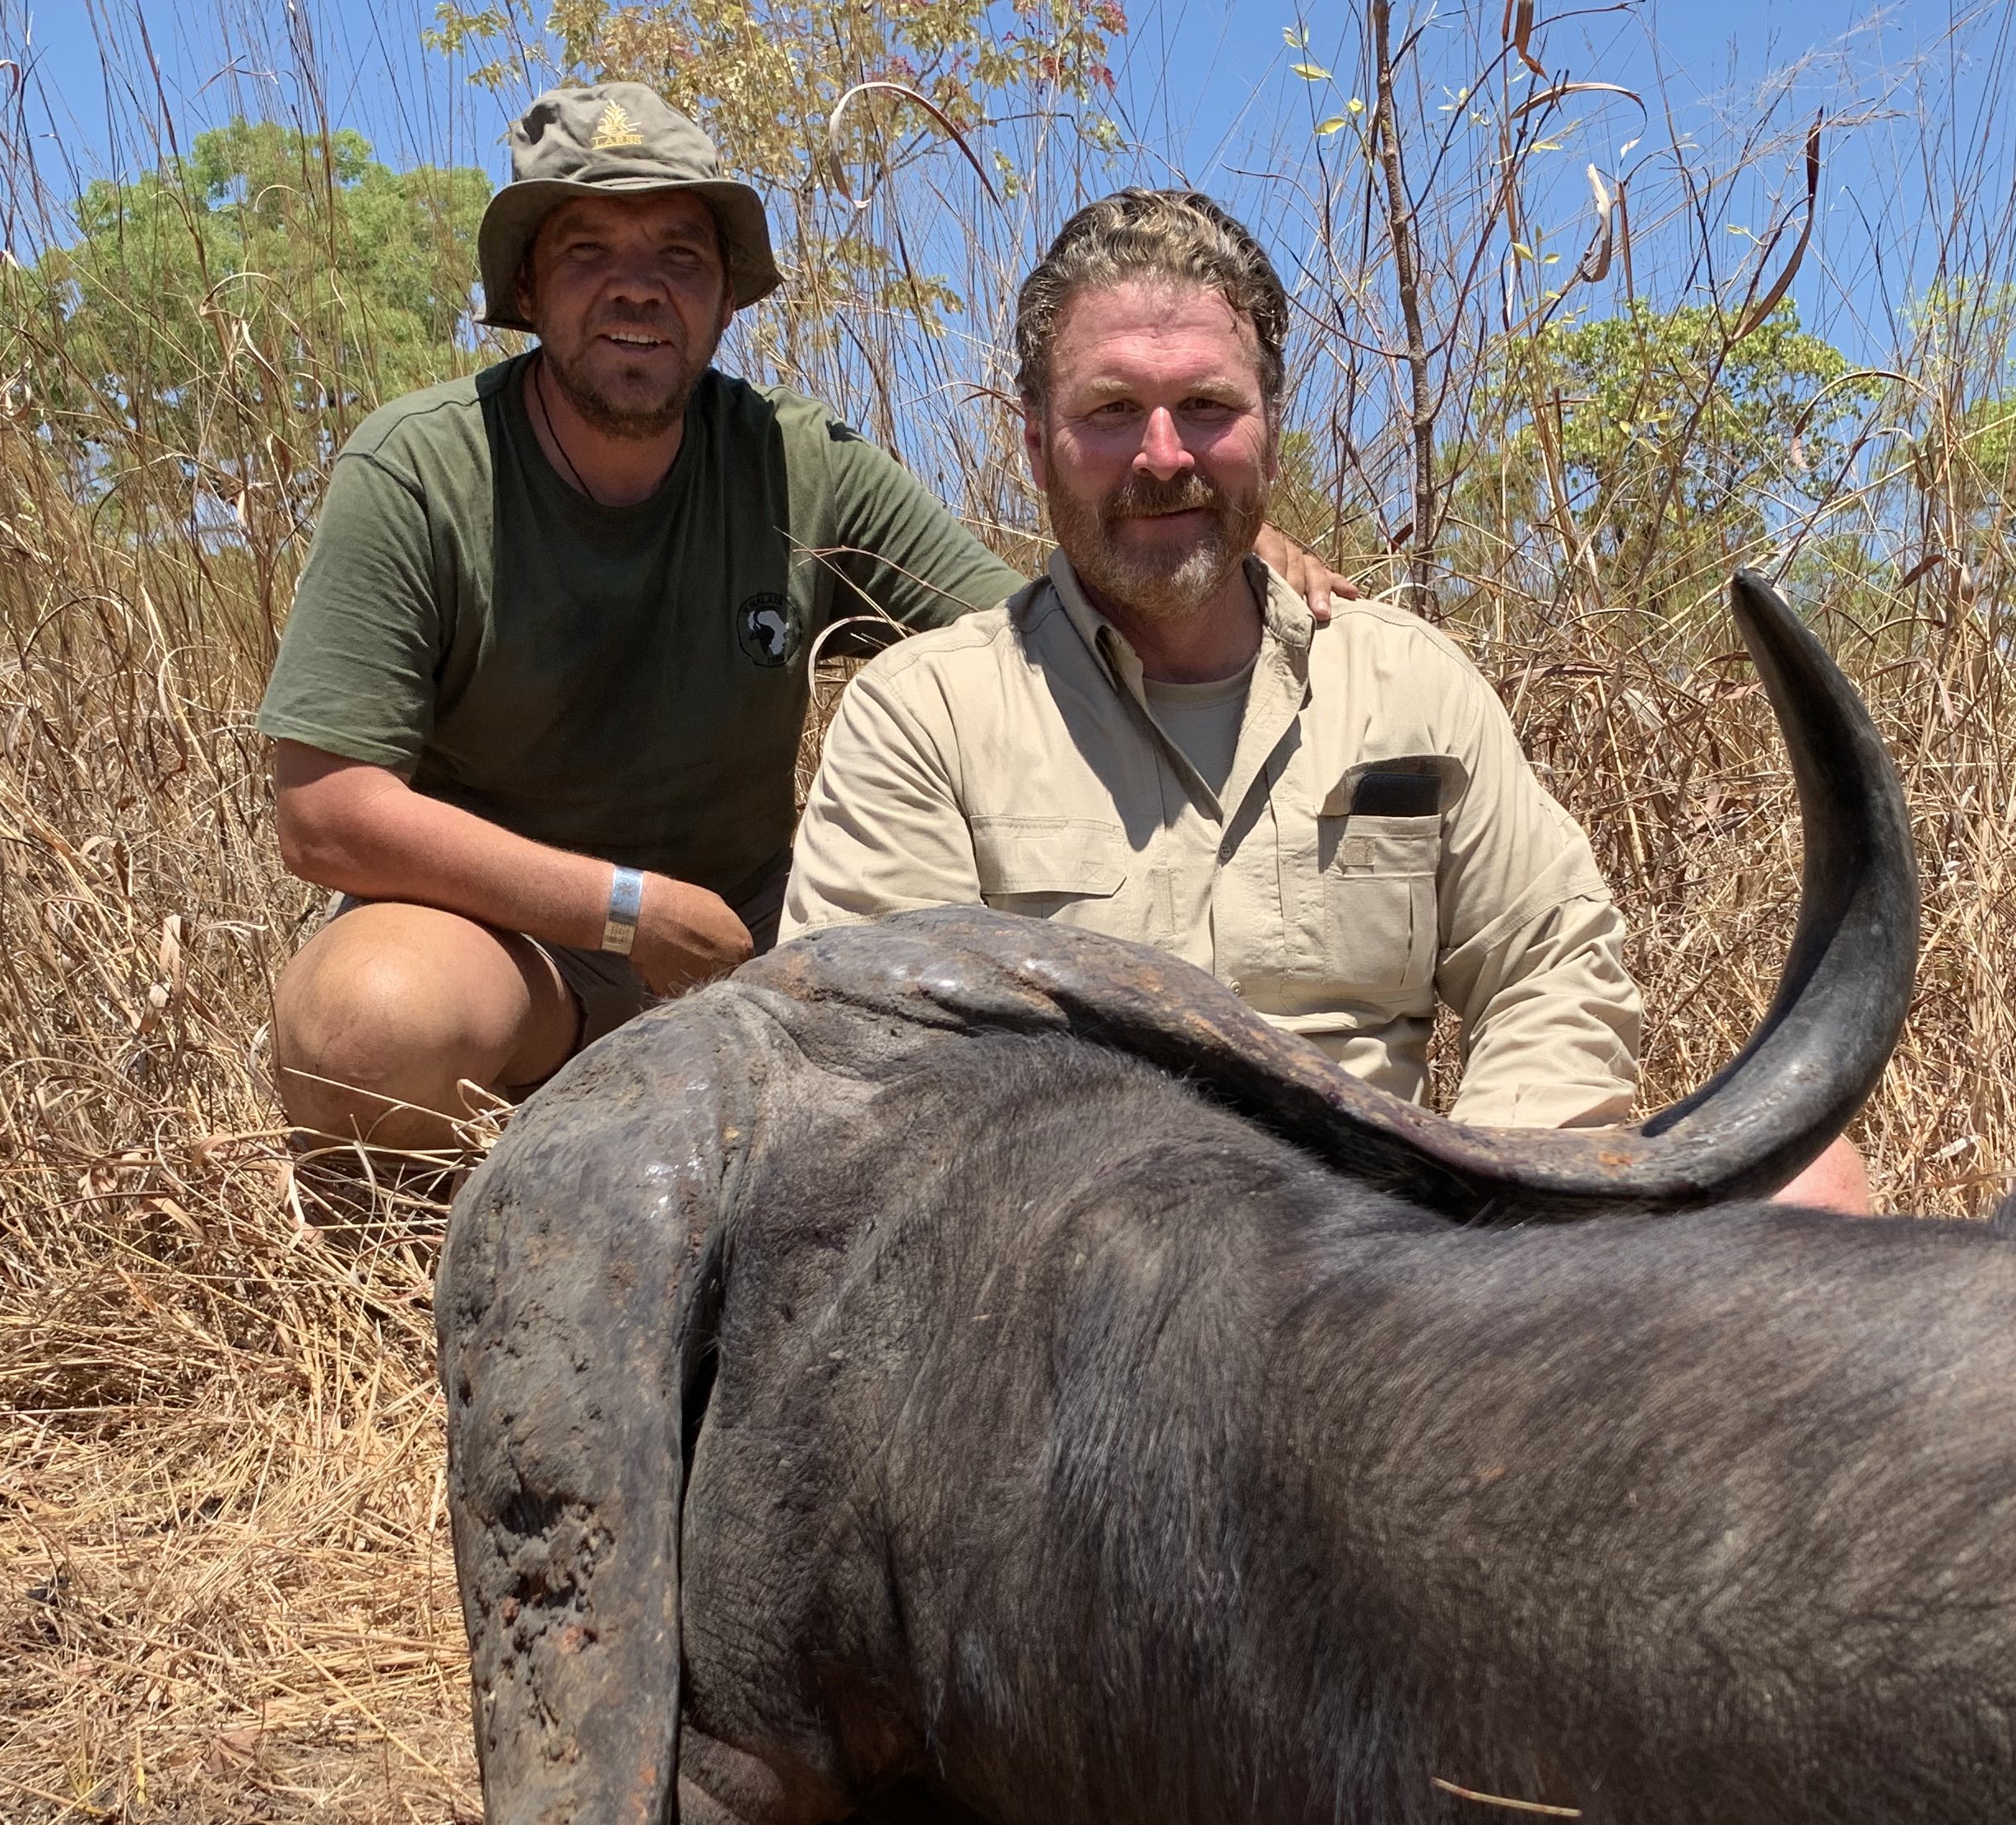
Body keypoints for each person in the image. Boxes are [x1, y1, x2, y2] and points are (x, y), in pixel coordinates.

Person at [255, 88, 1350, 1165]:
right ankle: (441, 1223)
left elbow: (1035, 638)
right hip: (509, 950)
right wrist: (627, 911)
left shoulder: (801, 464)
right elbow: (325, 810)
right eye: (588, 250)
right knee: (367, 1024)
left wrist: (1192, 531)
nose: (636, 291)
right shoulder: (422, 467)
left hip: (752, 955)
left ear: (726, 300)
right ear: (528, 288)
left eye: (679, 257)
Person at [782, 189, 1869, 1198]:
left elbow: (1552, 968)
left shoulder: (1408, 687)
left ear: (1269, 425)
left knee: (1821, 1190)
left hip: (1385, 1262)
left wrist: (1480, 1212)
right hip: (1075, 1279)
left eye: (1206, 405)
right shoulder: (925, 715)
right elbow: (881, 1069)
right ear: (1034, 444)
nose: (1164, 457)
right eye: (1112, 410)